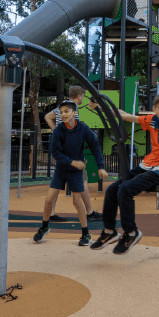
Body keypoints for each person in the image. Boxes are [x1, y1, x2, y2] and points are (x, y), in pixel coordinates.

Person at [90, 77, 159, 255]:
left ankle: (131, 232)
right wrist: (100, 105)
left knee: (125, 189)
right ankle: (109, 231)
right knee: (113, 189)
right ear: (154, 109)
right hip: (147, 165)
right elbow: (124, 115)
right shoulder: (151, 121)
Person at [34, 100, 107, 246]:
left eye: (66, 111)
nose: (63, 114)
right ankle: (44, 227)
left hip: (75, 172)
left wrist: (100, 166)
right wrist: (72, 162)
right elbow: (56, 153)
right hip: (61, 169)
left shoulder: (83, 129)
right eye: (61, 112)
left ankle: (86, 234)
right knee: (49, 199)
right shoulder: (58, 130)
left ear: (74, 113)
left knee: (76, 201)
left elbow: (95, 146)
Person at [44, 86, 103, 222]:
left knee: (57, 183)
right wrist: (58, 132)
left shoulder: (63, 107)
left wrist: (56, 132)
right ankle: (89, 212)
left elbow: (48, 116)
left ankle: (51, 213)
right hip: (71, 152)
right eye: (83, 96)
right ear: (79, 96)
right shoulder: (70, 109)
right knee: (82, 180)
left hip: (65, 150)